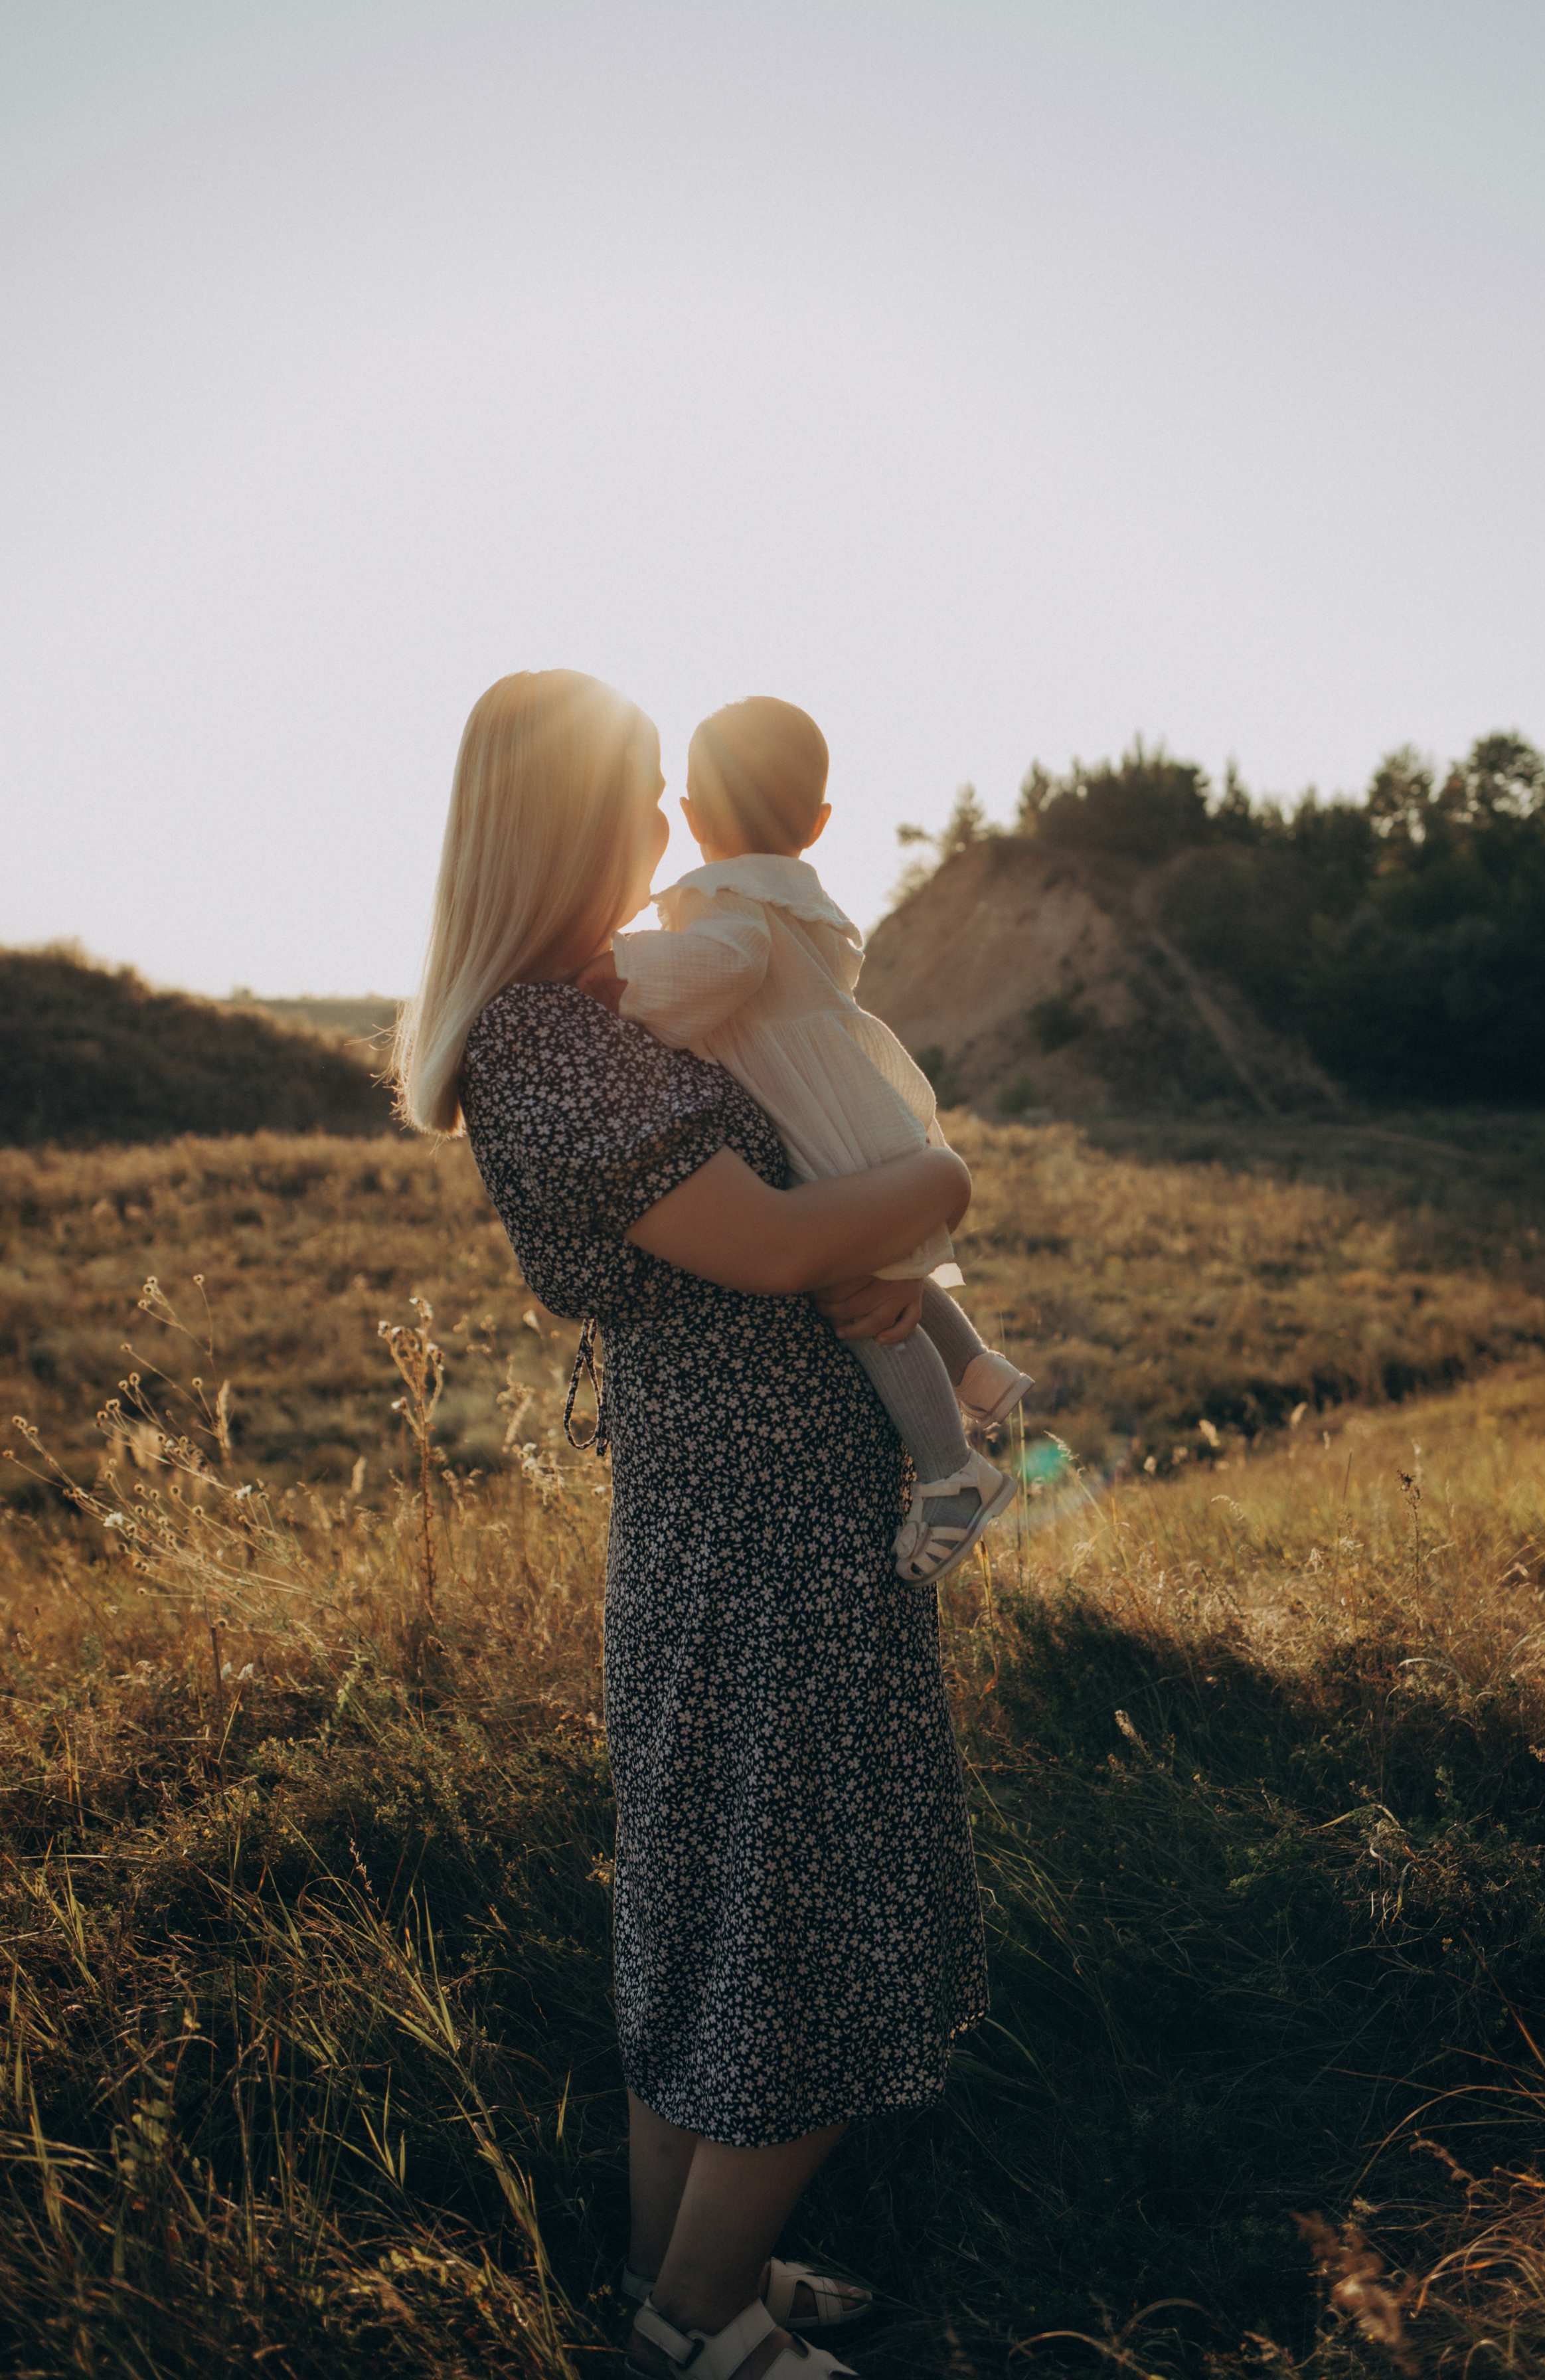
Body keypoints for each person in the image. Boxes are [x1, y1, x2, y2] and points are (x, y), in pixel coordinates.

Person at [393, 669, 989, 2380]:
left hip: (741, 1516)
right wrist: (940, 1184)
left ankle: (686, 2280)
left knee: (722, 1915)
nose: (665, 822)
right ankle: (695, 2328)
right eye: (640, 790)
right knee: (801, 1927)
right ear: (565, 821)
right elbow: (779, 1247)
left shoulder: (592, 1014)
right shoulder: (544, 1040)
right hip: (757, 1540)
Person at [577, 694, 1032, 1588]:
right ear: (819, 824)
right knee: (897, 1257)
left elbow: (730, 964)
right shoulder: (799, 893)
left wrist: (622, 970)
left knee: (859, 1283)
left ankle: (950, 1472)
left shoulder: (723, 896)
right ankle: (976, 1367)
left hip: (811, 1115)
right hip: (853, 1099)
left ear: (693, 816)